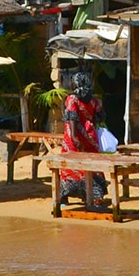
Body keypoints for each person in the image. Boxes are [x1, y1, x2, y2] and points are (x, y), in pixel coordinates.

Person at [58, 72, 108, 209]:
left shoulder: (72, 99)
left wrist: (74, 136)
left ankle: (64, 198)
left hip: (73, 138)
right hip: (91, 138)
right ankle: (96, 197)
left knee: (70, 166)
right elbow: (101, 117)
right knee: (93, 167)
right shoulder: (94, 100)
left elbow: (72, 118)